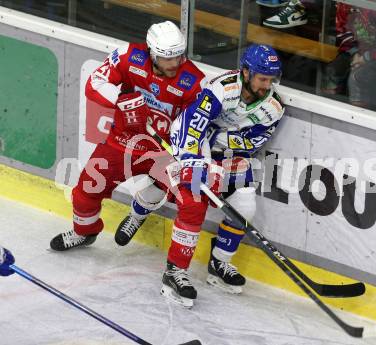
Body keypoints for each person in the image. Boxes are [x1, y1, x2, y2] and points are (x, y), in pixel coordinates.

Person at [49, 21, 206, 251]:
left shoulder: (195, 81)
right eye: (167, 58)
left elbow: (195, 126)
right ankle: (85, 232)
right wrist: (122, 101)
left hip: (164, 152)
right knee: (85, 192)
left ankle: (138, 213)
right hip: (122, 141)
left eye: (179, 57)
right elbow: (95, 82)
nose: (175, 63)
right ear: (152, 53)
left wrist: (179, 142)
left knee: (188, 198)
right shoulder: (128, 55)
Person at [159, 44, 284, 308]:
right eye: (262, 78)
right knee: (194, 203)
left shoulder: (273, 108)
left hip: (227, 151)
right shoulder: (222, 88)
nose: (267, 85)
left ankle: (220, 264)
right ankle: (175, 272)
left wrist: (222, 143)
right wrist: (192, 158)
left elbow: (252, 143)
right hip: (194, 141)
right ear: (247, 72)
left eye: (271, 79)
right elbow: (194, 122)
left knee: (245, 206)